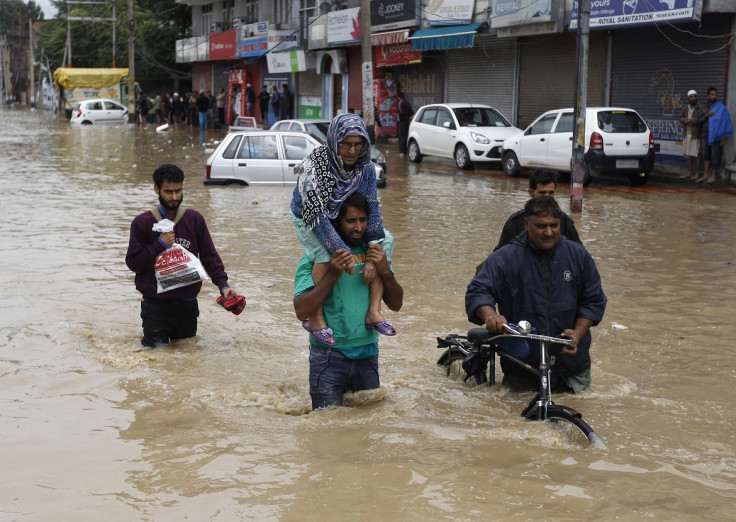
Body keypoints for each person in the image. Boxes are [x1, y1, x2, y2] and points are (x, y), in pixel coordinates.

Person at [466, 196, 607, 393]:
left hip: (572, 367)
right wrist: (491, 316)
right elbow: (478, 290)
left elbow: (593, 300)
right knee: (516, 419)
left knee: (580, 412)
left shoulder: (578, 256)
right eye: (541, 226)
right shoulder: (505, 258)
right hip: (521, 364)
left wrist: (577, 333)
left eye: (554, 225)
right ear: (526, 224)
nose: (548, 232)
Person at [290, 113, 396, 346]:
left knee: (385, 241)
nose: (351, 151)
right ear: (334, 142)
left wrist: (372, 250)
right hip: (309, 215)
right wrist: (341, 251)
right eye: (346, 144)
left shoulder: (366, 168)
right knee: (324, 254)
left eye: (358, 144)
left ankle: (374, 312)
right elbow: (316, 215)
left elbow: (372, 206)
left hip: (344, 216)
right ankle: (315, 317)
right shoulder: (315, 166)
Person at [294, 191, 404, 410]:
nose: (359, 227)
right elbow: (301, 310)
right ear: (336, 222)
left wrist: (385, 270)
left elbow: (396, 303)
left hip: (368, 354)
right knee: (327, 428)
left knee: (368, 430)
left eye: (363, 220)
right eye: (351, 221)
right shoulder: (317, 257)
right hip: (327, 359)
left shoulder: (375, 252)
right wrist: (332, 275)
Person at [125, 164, 239, 347]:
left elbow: (210, 257)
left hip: (187, 306)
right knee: (158, 358)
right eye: (168, 192)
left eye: (178, 191)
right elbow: (133, 263)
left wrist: (223, 286)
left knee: (186, 360)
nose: (174, 197)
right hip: (155, 307)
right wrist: (159, 244)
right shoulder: (142, 223)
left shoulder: (194, 220)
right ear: (156, 189)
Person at [494, 169, 582, 252]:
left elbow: (580, 255)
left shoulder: (565, 223)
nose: (547, 197)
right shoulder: (514, 223)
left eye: (551, 193)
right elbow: (498, 257)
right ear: (531, 193)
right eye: (542, 193)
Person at [696, 87, 733, 184]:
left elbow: (725, 121)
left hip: (716, 136)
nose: (714, 96)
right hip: (705, 134)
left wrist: (720, 133)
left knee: (715, 156)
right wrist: (707, 115)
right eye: (712, 95)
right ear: (708, 95)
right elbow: (698, 121)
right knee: (706, 155)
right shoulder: (704, 108)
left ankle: (713, 175)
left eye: (715, 94)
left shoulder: (721, 108)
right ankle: (705, 175)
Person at [679, 90, 705, 180]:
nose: (693, 98)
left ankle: (697, 173)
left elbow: (703, 119)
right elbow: (681, 117)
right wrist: (684, 120)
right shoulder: (685, 108)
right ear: (688, 98)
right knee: (687, 154)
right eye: (691, 97)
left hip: (696, 134)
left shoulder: (701, 108)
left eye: (695, 96)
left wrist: (692, 120)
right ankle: (690, 173)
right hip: (686, 133)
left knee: (697, 154)